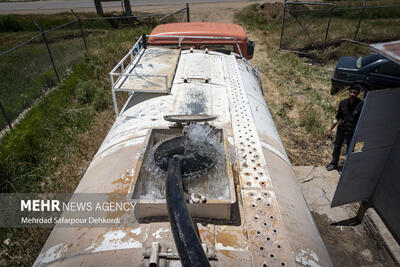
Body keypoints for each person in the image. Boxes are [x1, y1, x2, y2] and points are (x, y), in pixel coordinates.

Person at [326, 85, 364, 171]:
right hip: (342, 129)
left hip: (353, 131)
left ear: (357, 94)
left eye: (355, 93)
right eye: (351, 92)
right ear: (348, 92)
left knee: (350, 149)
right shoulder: (343, 103)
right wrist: (330, 129)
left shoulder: (361, 105)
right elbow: (337, 117)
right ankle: (333, 163)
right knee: (337, 146)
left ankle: (347, 167)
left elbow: (362, 119)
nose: (352, 94)